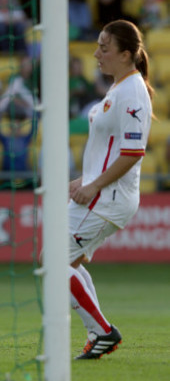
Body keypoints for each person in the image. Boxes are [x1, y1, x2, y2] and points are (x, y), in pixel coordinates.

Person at [68, 20, 152, 359]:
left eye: (104, 47)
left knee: (55, 263)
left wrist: (94, 185)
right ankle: (98, 332)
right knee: (64, 263)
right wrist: (84, 178)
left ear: (126, 54)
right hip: (99, 191)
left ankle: (103, 331)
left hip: (109, 197)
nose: (96, 53)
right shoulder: (119, 88)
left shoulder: (133, 93)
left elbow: (133, 152)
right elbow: (111, 147)